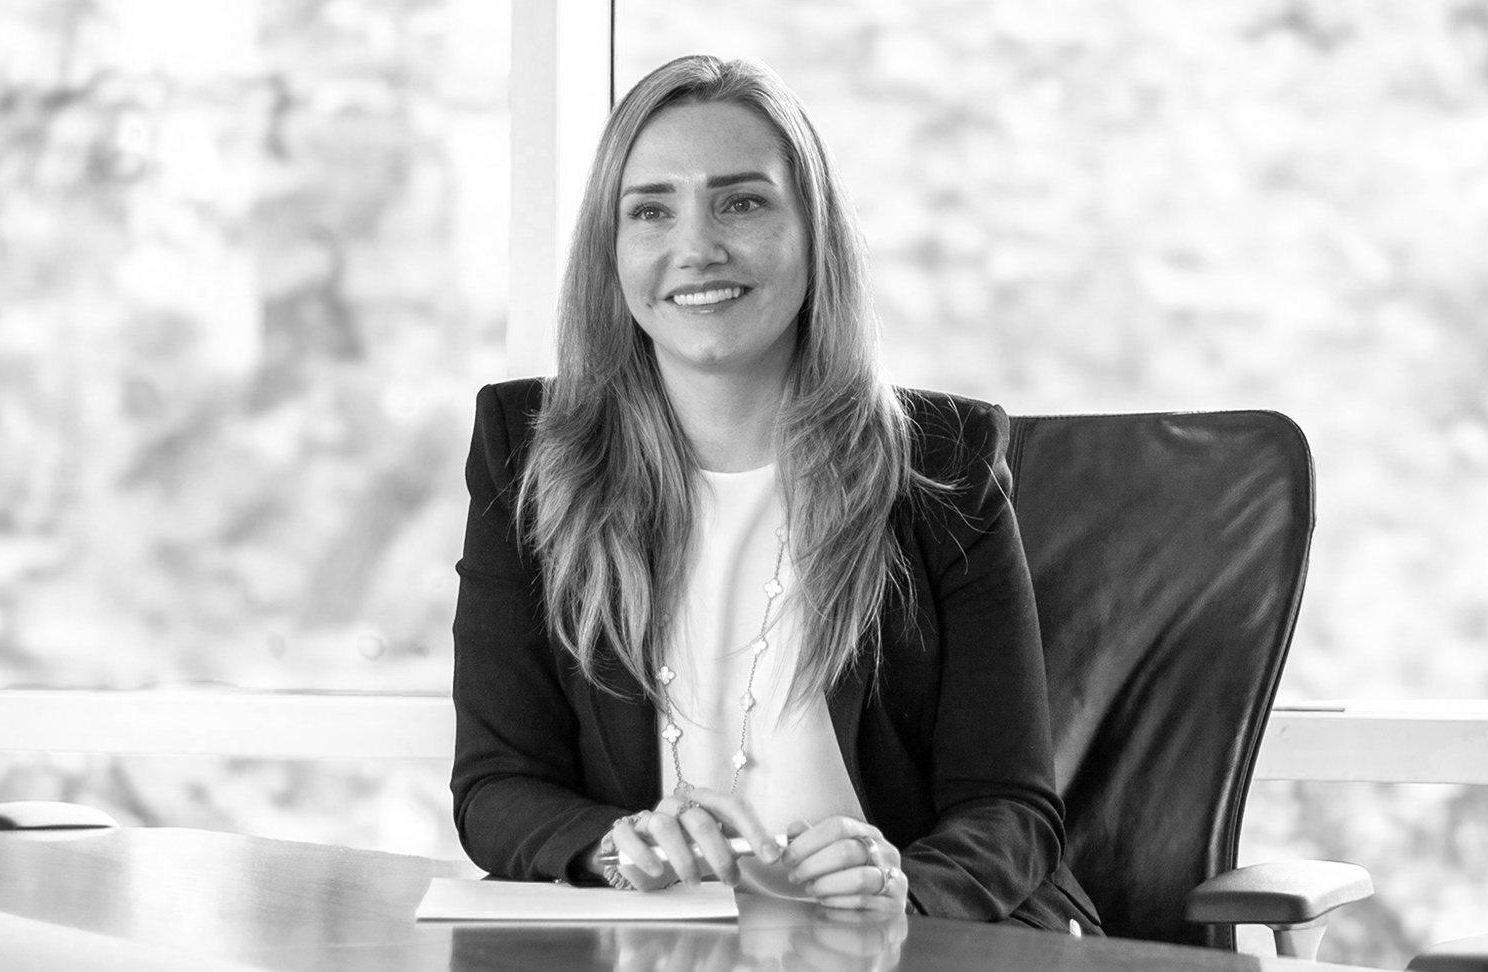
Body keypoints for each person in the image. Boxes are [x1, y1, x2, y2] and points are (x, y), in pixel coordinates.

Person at [451, 54, 1100, 933]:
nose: (696, 248)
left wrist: (901, 887)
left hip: (896, 946)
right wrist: (613, 847)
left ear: (814, 234)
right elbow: (496, 785)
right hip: (660, 946)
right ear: (611, 250)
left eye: (742, 203)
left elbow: (1010, 808)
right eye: (650, 210)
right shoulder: (528, 452)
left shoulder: (942, 463)